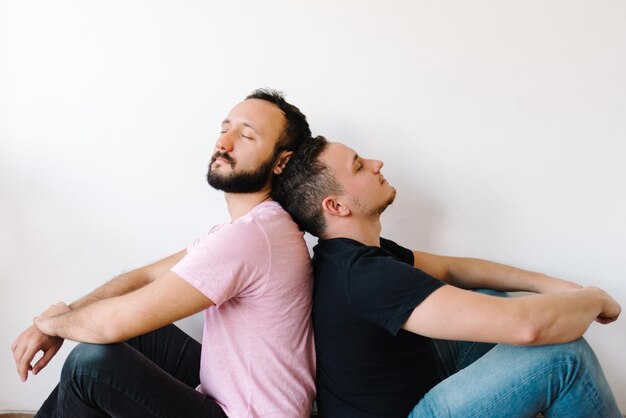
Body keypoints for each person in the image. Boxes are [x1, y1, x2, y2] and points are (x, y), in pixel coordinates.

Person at [11, 89, 316, 418]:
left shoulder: (251, 237)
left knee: (89, 365)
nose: (224, 144)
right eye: (224, 129)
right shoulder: (255, 227)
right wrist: (67, 313)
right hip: (232, 395)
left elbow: (113, 323)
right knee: (142, 335)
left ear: (281, 161)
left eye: (245, 136)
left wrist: (52, 323)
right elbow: (145, 277)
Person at [272, 135, 622, 418]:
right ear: (336, 206)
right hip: (412, 412)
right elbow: (526, 327)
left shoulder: (351, 253)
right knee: (563, 356)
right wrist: (592, 298)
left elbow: (453, 269)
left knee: (490, 299)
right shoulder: (365, 276)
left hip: (416, 383)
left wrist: (548, 285)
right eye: (359, 166)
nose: (377, 164)